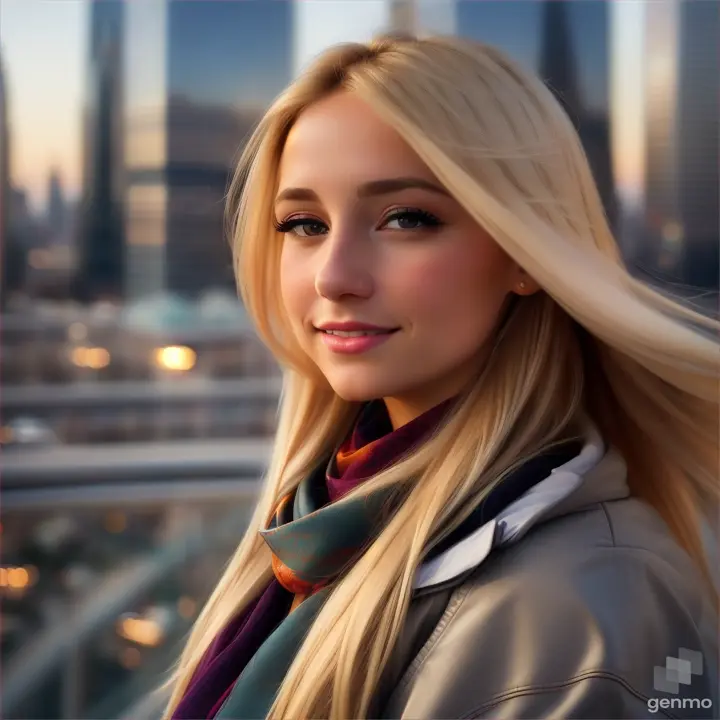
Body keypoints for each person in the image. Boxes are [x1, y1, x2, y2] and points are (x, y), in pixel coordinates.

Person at [162, 35, 719, 719]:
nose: (334, 275)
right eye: (303, 224)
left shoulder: (587, 600)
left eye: (406, 219)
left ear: (525, 250)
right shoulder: (313, 533)